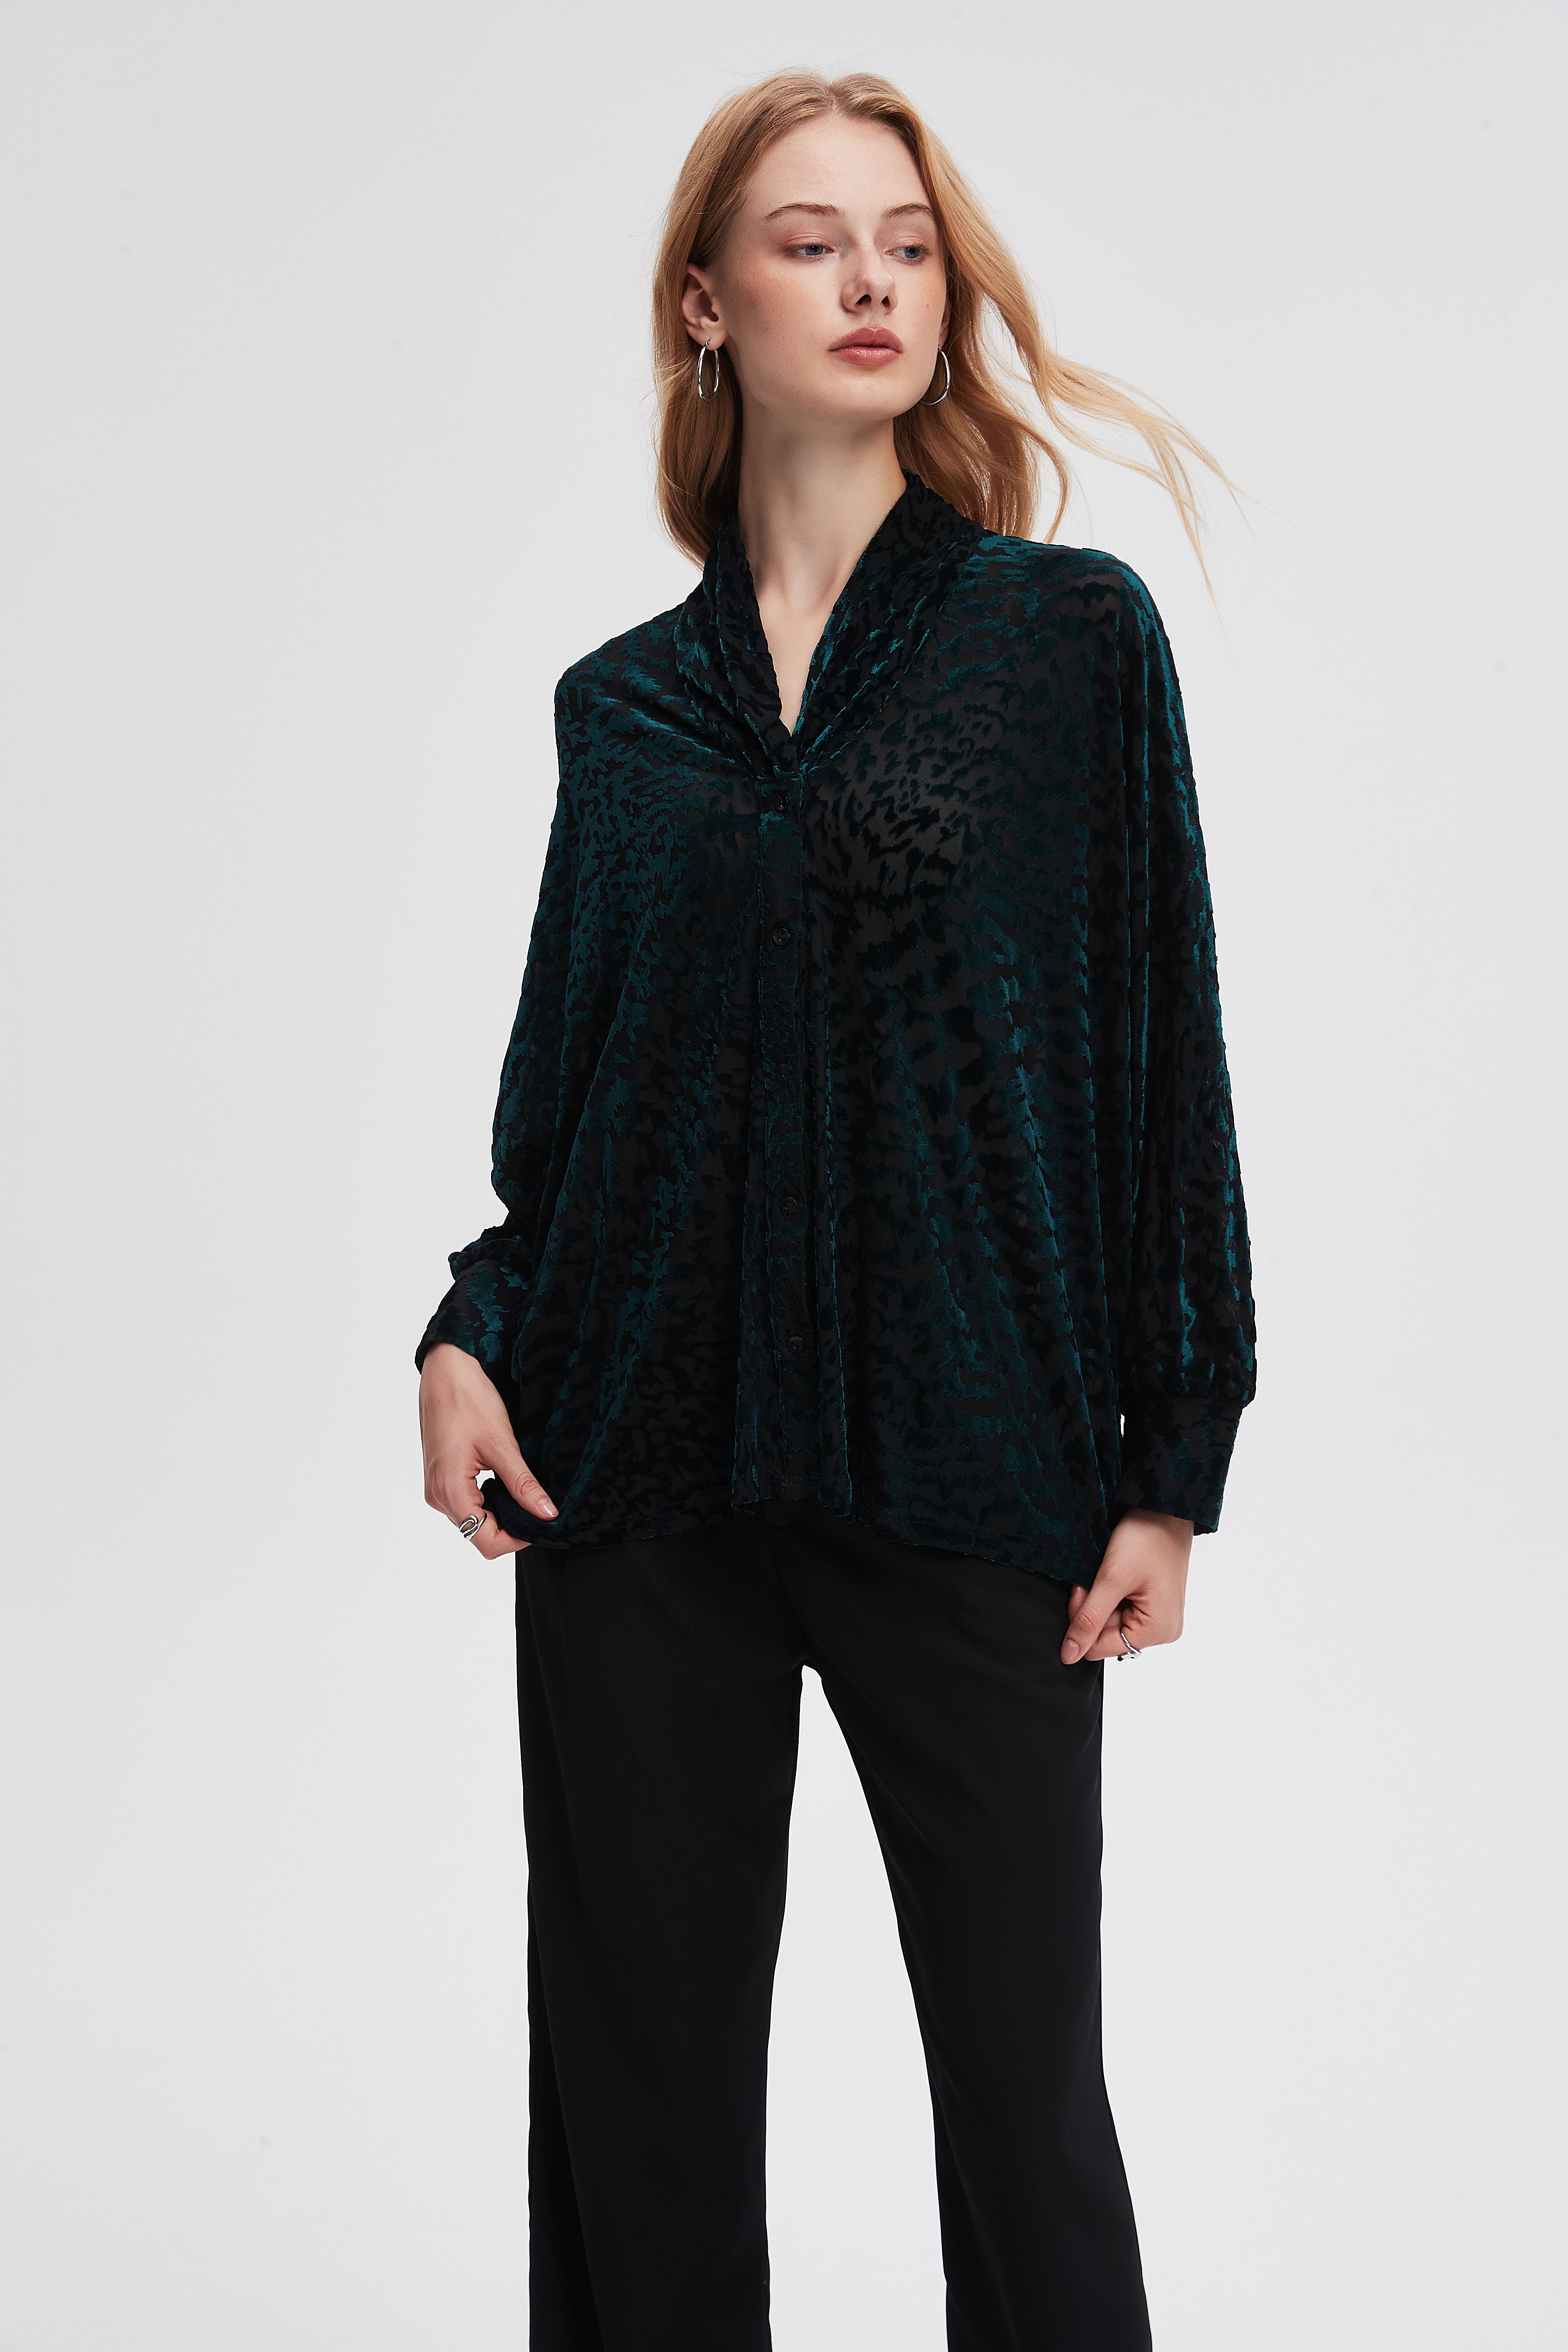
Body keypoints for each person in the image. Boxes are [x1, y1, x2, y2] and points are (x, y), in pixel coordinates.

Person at [415, 67, 1256, 2352]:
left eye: (905, 243)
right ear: (708, 303)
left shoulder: (1064, 644)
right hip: (635, 1481)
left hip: (978, 1475)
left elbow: (1158, 1051)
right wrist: (471, 1325)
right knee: (643, 2125)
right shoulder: (626, 716)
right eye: (808, 243)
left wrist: (1173, 1455)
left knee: (1028, 2118)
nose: (871, 282)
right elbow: (570, 1118)